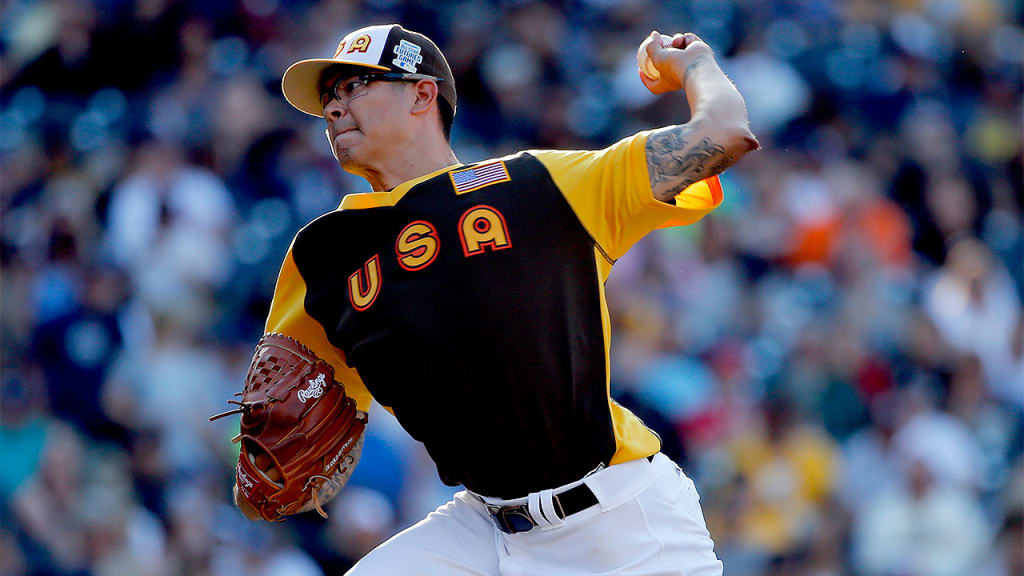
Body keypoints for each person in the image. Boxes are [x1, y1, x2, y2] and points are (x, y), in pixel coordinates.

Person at [242, 23, 757, 575]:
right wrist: (268, 468)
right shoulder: (324, 254)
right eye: (329, 97)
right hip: (484, 527)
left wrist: (696, 63)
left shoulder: (540, 185)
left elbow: (725, 131)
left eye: (355, 87)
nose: (335, 108)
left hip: (620, 520)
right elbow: (290, 412)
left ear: (422, 93)